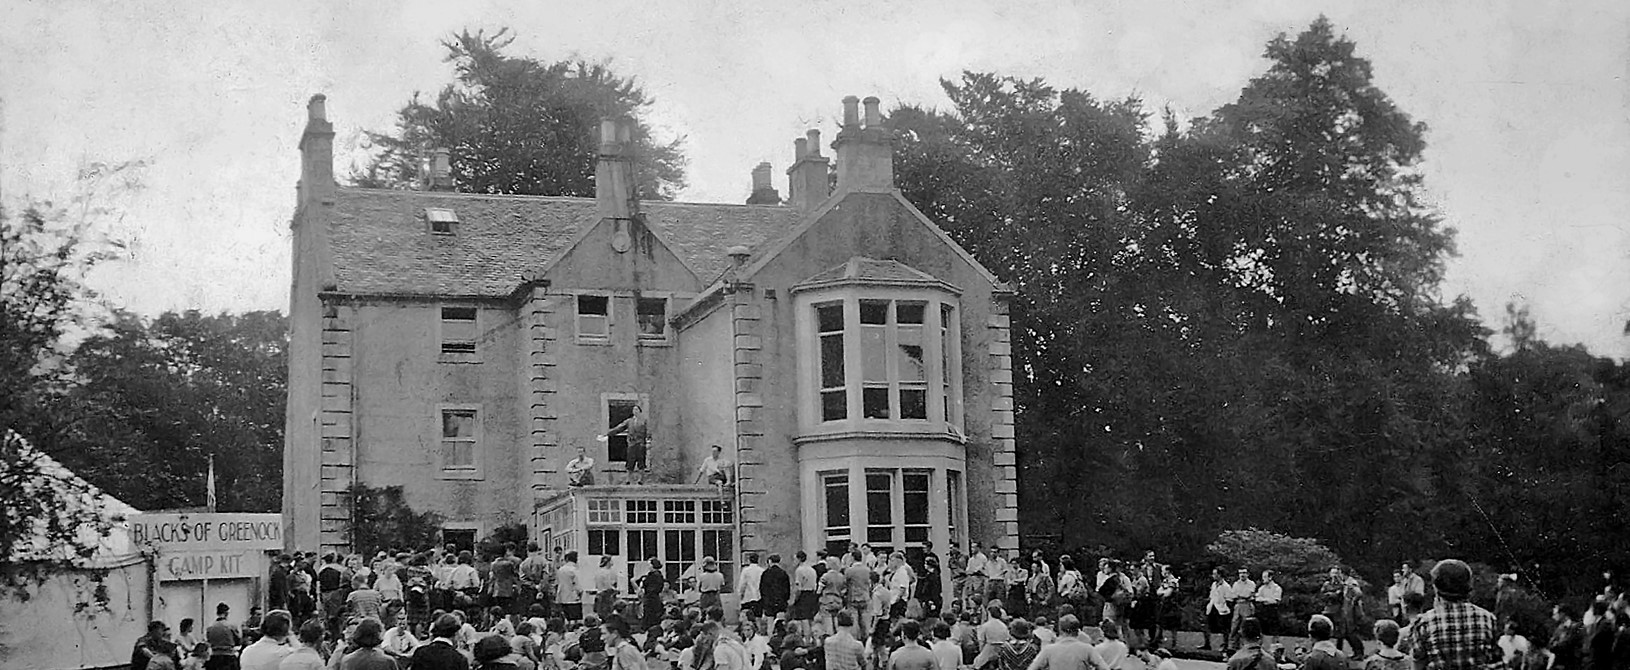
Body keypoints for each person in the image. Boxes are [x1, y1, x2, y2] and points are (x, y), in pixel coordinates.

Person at [1410, 559, 1500, 670]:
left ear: (1436, 587)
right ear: (1468, 585)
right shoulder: (1487, 618)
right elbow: (1495, 659)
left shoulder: (1424, 622)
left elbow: (1418, 664)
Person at [1024, 615, 1109, 670]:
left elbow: (1032, 668)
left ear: (1061, 630)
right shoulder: (1087, 649)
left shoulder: (1049, 650)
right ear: (1077, 631)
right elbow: (1104, 668)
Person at [602, 403, 651, 484]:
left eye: (637, 410)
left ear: (640, 411)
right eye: (634, 410)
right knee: (630, 462)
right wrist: (608, 433)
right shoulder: (629, 421)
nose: (635, 411)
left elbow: (648, 432)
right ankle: (628, 479)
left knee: (641, 461)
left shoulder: (644, 421)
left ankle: (641, 479)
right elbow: (619, 428)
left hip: (640, 444)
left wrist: (648, 442)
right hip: (632, 444)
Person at [1228, 568, 1258, 652]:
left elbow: (1248, 595)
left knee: (1246, 626)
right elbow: (1233, 595)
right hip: (1238, 605)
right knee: (1234, 626)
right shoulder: (1236, 584)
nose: (1242, 575)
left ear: (1248, 574)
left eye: (1244, 573)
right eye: (1240, 573)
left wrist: (1240, 595)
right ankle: (1232, 647)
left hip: (1246, 604)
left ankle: (1245, 647)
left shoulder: (1251, 583)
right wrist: (1240, 595)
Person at [206, 602, 243, 670]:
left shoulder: (210, 628)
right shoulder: (231, 626)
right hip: (228, 656)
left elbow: (208, 640)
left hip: (214, 657)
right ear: (226, 613)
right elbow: (238, 640)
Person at [792, 551, 821, 636]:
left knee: (804, 619)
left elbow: (798, 586)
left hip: (803, 594)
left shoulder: (799, 570)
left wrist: (795, 598)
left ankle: (807, 639)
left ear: (799, 559)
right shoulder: (812, 570)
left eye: (795, 559)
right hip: (812, 593)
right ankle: (814, 638)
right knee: (811, 618)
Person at [761, 554, 792, 632]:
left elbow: (762, 588)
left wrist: (764, 600)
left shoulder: (766, 573)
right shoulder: (783, 573)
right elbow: (787, 589)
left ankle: (770, 638)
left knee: (770, 623)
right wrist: (786, 600)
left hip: (769, 602)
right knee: (780, 622)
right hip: (781, 601)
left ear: (770, 561)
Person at [492, 544, 522, 620]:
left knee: (499, 607)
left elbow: (493, 576)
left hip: (497, 588)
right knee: (508, 609)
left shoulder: (494, 564)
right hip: (507, 588)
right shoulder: (509, 564)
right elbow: (514, 575)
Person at [1254, 570, 1283, 649]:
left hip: (1273, 611)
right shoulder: (1262, 588)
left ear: (1270, 577)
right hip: (1263, 612)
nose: (1263, 579)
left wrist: (1264, 599)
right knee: (1261, 632)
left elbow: (1275, 600)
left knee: (1274, 632)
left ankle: (1275, 650)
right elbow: (1257, 598)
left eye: (1265, 577)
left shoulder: (1277, 588)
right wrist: (1267, 599)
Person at [1203, 569, 1231, 651]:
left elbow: (1229, 598)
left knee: (1224, 628)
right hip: (1212, 606)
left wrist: (1225, 607)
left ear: (1219, 575)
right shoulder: (1214, 584)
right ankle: (1207, 644)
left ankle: (1225, 645)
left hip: (1221, 608)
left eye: (1215, 574)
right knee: (1206, 625)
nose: (1213, 576)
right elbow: (1211, 595)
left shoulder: (1226, 586)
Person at [639, 557, 668, 631]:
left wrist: (644, 583)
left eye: (649, 564)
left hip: (651, 598)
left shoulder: (655, 576)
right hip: (651, 597)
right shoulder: (653, 575)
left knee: (650, 614)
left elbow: (652, 587)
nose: (648, 566)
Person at [739, 553, 766, 628]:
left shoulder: (746, 571)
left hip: (747, 597)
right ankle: (758, 631)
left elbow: (742, 584)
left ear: (749, 560)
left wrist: (740, 594)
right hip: (758, 597)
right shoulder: (762, 570)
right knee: (758, 618)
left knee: (747, 617)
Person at [555, 552, 583, 622]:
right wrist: (580, 593)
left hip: (562, 596)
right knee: (575, 619)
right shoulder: (574, 570)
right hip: (573, 597)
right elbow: (578, 585)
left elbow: (558, 583)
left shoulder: (561, 570)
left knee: (565, 618)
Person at [593, 556, 619, 622]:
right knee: (607, 613)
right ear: (607, 562)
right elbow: (609, 585)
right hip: (606, 595)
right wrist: (614, 590)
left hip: (599, 593)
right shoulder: (607, 572)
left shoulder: (598, 571)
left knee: (600, 613)